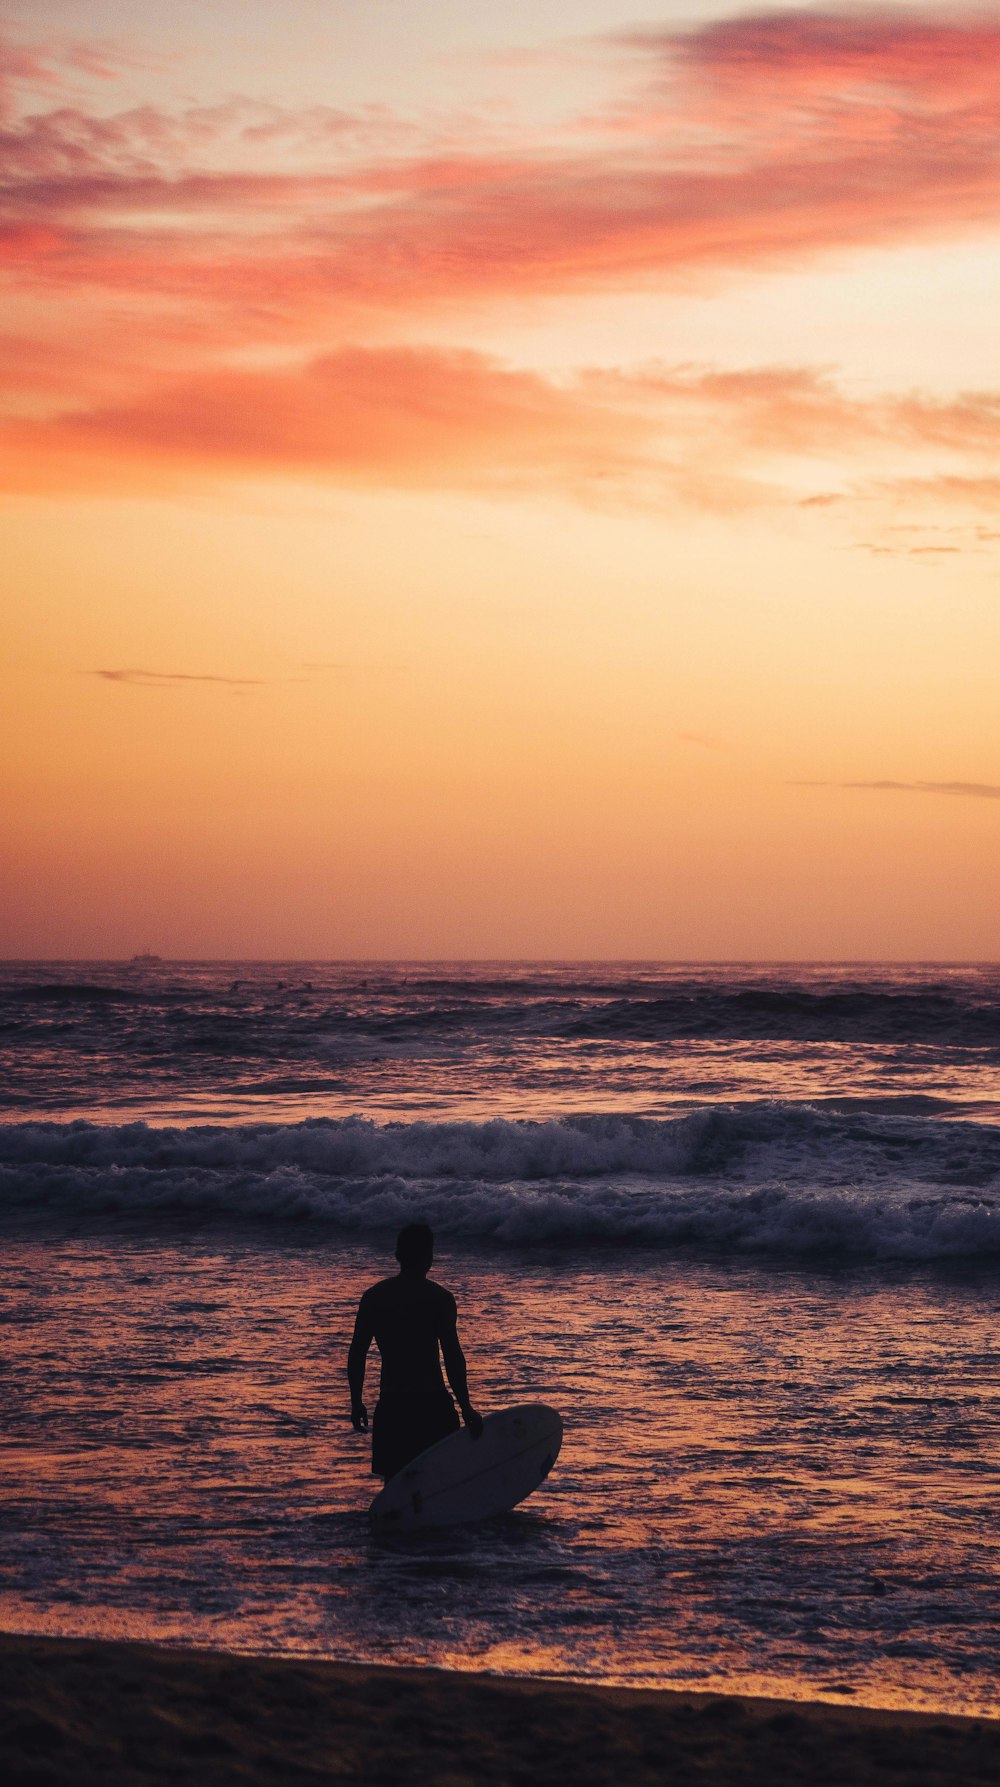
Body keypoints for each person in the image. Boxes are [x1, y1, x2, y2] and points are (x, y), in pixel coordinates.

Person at [348, 1222, 483, 1480]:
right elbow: (453, 1356)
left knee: (396, 1487)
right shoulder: (439, 1299)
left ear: (398, 1256)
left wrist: (356, 1402)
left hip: (393, 1405)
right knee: (442, 1483)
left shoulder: (375, 1297)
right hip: (431, 1405)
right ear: (429, 1258)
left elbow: (357, 1353)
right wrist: (466, 1406)